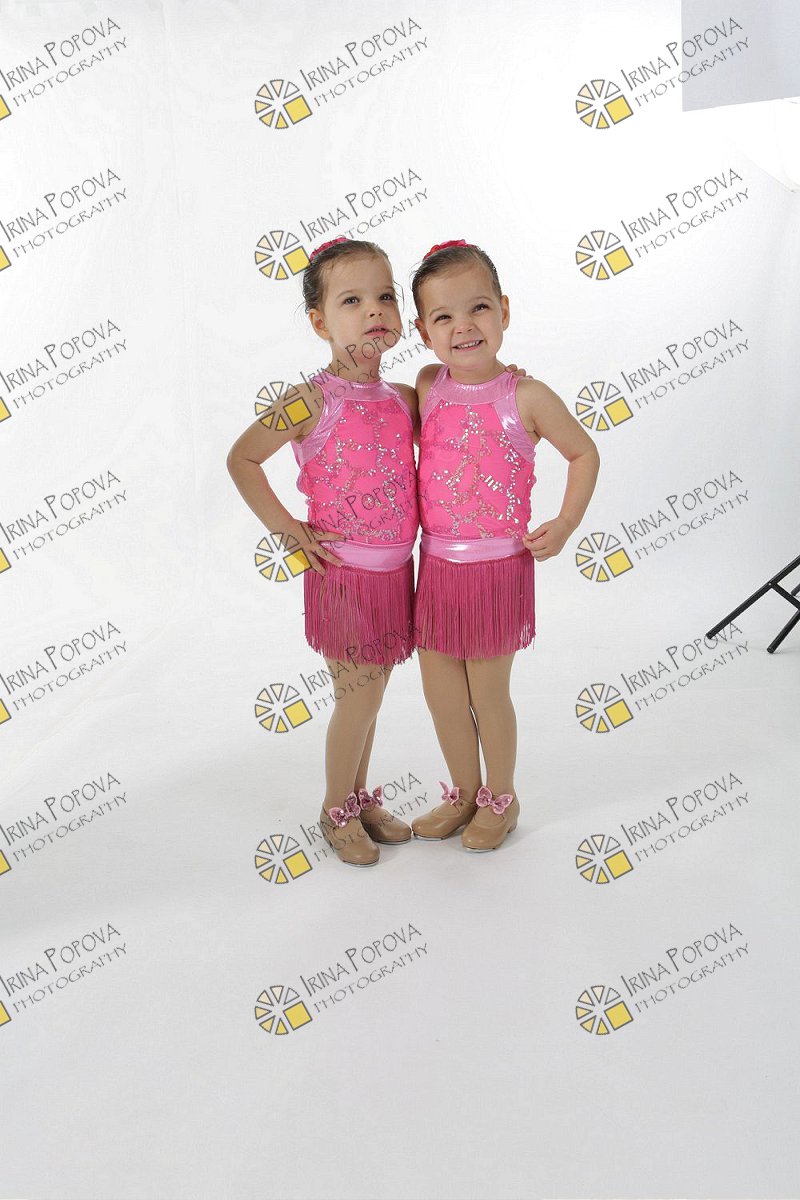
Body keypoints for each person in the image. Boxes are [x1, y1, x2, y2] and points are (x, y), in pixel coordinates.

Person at [226, 237, 420, 868]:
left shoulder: (402, 399)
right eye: (352, 300)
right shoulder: (313, 399)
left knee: (373, 695)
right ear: (320, 323)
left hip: (396, 572)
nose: (374, 310)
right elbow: (243, 458)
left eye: (385, 296)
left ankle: (358, 797)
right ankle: (335, 808)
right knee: (357, 697)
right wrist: (288, 529)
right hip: (344, 576)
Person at [408, 239, 600, 852]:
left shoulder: (528, 396)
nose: (464, 326)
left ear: (504, 311)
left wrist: (565, 523)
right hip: (437, 566)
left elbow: (584, 452)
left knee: (487, 693)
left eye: (479, 308)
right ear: (423, 332)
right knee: (441, 692)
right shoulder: (428, 385)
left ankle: (502, 797)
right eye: (443, 316)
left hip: (498, 571)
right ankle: (463, 793)